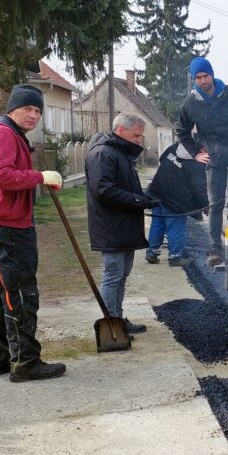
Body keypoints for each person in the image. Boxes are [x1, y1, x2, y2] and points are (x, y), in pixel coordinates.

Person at [0, 84, 66, 382]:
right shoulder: (2, 134)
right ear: (12, 109)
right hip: (6, 226)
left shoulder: (5, 132)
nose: (33, 115)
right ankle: (25, 362)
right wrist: (39, 177)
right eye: (27, 109)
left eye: (37, 110)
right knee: (20, 292)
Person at [85, 113, 156, 335]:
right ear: (121, 130)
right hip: (111, 226)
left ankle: (118, 318)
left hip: (125, 224)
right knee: (113, 276)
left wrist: (145, 197)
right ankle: (112, 327)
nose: (139, 140)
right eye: (136, 135)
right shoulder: (103, 153)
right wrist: (138, 201)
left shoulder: (121, 152)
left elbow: (125, 186)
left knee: (121, 276)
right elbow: (103, 190)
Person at [175, 56, 228, 266]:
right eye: (198, 77)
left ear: (212, 75)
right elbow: (181, 130)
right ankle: (215, 250)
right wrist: (196, 153)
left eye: (205, 76)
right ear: (194, 79)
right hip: (215, 161)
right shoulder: (191, 104)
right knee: (215, 205)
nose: (203, 81)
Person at [145, 141, 209, 267]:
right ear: (202, 150)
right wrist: (205, 206)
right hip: (175, 201)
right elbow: (199, 190)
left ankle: (152, 252)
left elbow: (162, 158)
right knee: (176, 228)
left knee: (158, 223)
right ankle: (175, 257)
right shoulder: (196, 166)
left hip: (157, 192)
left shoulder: (175, 148)